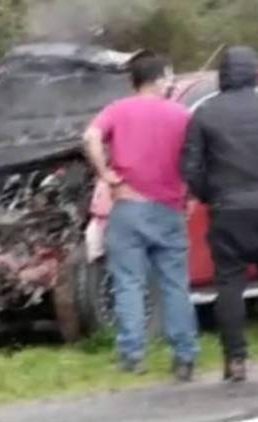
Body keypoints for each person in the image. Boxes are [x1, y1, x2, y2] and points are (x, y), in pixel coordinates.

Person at [181, 46, 258, 382]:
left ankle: (236, 361)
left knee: (229, 283)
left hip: (227, 210)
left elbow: (191, 169)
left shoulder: (205, 114)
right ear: (254, 74)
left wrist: (211, 196)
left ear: (223, 75)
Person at [83, 54, 199, 381]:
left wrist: (107, 175)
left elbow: (90, 137)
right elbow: (195, 157)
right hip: (169, 209)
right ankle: (184, 357)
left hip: (128, 207)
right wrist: (190, 195)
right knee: (175, 284)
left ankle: (133, 355)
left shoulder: (118, 109)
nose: (172, 83)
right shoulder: (182, 115)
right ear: (159, 78)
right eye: (170, 76)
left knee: (129, 283)